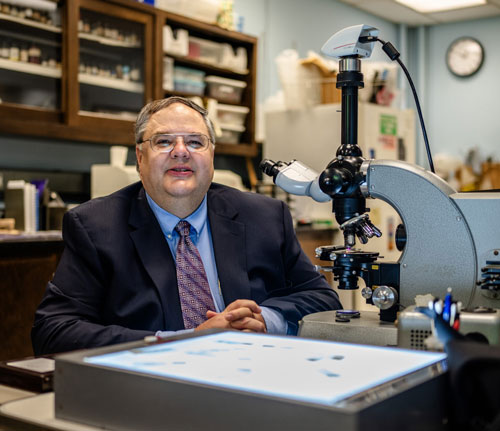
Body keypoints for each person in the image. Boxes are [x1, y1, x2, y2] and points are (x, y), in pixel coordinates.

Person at [32, 96, 342, 355]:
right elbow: (53, 330)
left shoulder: (265, 216)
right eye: (164, 141)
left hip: (254, 374)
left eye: (195, 141)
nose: (181, 150)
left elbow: (322, 298)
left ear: (211, 156)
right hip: (152, 390)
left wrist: (266, 320)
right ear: (140, 157)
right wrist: (178, 342)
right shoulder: (95, 227)